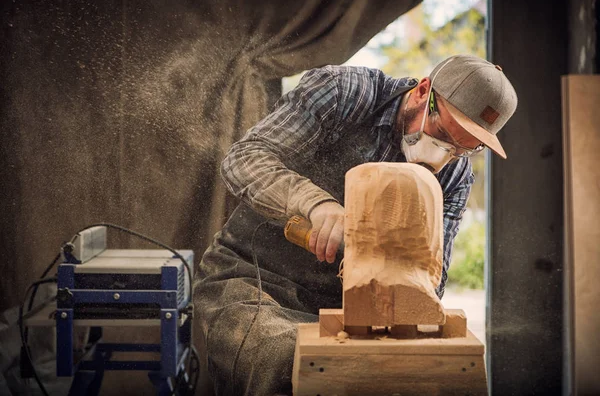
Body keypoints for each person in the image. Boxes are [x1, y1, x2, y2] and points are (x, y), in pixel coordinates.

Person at [194, 54, 518, 395]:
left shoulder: (453, 177)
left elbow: (432, 276)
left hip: (353, 308)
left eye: (460, 149)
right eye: (440, 133)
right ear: (424, 91)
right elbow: (245, 159)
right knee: (286, 363)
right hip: (253, 281)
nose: (441, 155)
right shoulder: (344, 93)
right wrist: (317, 206)